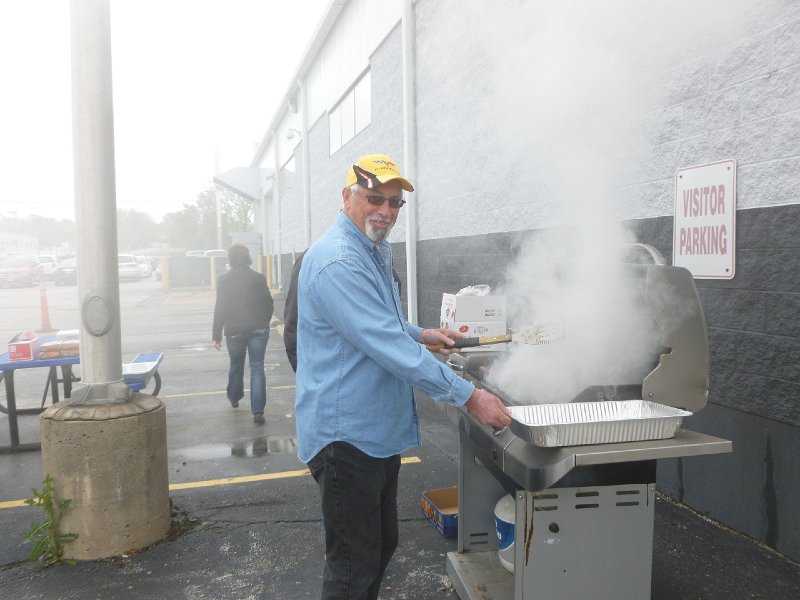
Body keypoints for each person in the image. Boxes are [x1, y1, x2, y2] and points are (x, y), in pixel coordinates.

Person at [295, 154, 512, 600]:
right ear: (346, 197)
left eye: (394, 203)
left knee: (378, 546)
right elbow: (388, 346)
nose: (386, 212)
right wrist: (469, 396)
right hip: (346, 436)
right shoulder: (338, 261)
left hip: (371, 432)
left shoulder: (371, 248)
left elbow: (383, 325)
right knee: (354, 563)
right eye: (375, 199)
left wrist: (422, 333)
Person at [284, 251, 401, 372]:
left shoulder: (380, 258)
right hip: (334, 378)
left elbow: (389, 324)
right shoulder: (314, 261)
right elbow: (294, 325)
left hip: (373, 375)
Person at [212, 244, 274, 424]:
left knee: (236, 364)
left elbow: (220, 309)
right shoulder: (259, 278)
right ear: (248, 258)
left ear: (230, 259)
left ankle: (234, 397)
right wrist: (264, 321)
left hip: (234, 331)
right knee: (257, 367)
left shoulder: (224, 280)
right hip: (258, 329)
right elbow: (269, 303)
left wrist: (216, 335)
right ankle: (258, 411)